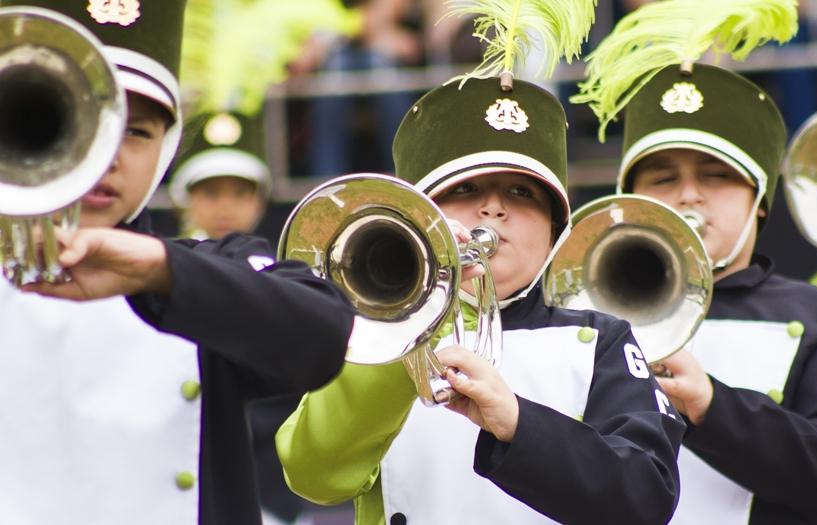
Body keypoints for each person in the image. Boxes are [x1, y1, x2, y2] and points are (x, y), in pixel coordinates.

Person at [276, 3, 685, 521]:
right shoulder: (369, 336)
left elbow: (645, 497)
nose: (493, 209)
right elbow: (315, 476)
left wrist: (518, 422)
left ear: (554, 228)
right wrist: (407, 338)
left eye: (521, 192)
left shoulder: (603, 338)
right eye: (464, 189)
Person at [0, 2, 354, 524]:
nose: (107, 153)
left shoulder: (206, 269)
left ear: (166, 151)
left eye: (137, 131)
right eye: (74, 115)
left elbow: (322, 335)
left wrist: (161, 272)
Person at [574, 1, 817, 523]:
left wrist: (712, 406)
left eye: (716, 176)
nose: (689, 196)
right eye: (662, 178)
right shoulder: (587, 315)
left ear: (759, 202)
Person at [169, 112, 271, 240]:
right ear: (186, 200)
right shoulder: (167, 259)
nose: (225, 210)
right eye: (210, 193)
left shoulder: (272, 259)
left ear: (259, 202)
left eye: (240, 193)